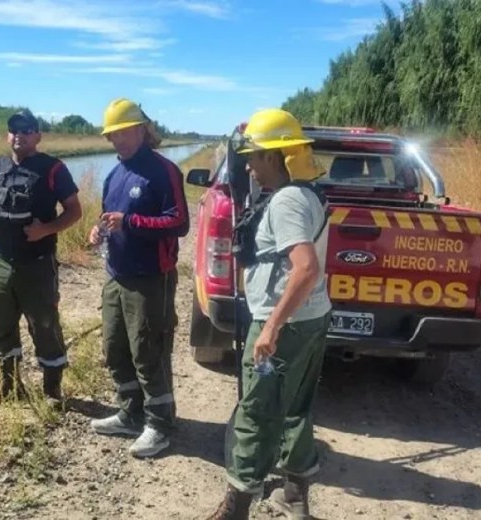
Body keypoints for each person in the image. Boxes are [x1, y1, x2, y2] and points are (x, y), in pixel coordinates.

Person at [206, 108, 332, 520]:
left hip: (283, 326)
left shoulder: (286, 202)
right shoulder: (308, 192)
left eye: (255, 156)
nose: (249, 165)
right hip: (310, 320)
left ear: (276, 158)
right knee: (296, 407)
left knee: (256, 413)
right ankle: (294, 496)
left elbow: (306, 268)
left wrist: (271, 327)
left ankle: (235, 508)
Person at [87, 98, 189, 458]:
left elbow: (179, 223)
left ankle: (160, 424)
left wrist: (131, 223)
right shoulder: (116, 174)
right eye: (112, 135)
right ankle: (131, 413)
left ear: (143, 129)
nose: (119, 140)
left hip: (151, 278)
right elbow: (107, 216)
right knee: (115, 349)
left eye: (125, 132)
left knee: (149, 352)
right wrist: (98, 231)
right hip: (116, 274)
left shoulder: (163, 171)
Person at [0, 109, 82, 409]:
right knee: (1, 325)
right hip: (0, 261)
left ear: (38, 135)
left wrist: (45, 230)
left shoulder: (53, 169)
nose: (19, 135)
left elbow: (75, 211)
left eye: (26, 130)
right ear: (7, 135)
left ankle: (52, 391)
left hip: (37, 261)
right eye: (13, 130)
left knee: (45, 325)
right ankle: (10, 385)